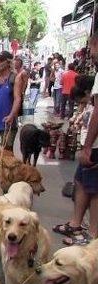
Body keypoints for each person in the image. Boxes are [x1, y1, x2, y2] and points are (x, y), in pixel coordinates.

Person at [53, 75, 95, 245]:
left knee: (94, 190)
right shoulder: (90, 104)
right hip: (89, 148)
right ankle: (76, 224)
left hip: (93, 149)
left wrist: (88, 147)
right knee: (80, 183)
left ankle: (92, 235)